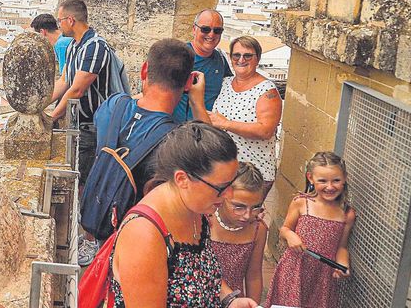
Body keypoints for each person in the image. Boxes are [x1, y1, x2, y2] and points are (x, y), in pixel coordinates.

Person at [109, 122, 258, 308]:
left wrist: (229, 300)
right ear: (182, 179)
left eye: (231, 184)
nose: (228, 195)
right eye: (221, 188)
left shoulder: (196, 205)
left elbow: (201, 272)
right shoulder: (144, 235)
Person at [49, 0, 128, 266]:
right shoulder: (73, 47)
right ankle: (88, 234)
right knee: (82, 180)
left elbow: (77, 89)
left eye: (60, 20)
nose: (59, 25)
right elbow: (64, 81)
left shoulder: (95, 47)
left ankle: (93, 239)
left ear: (71, 20)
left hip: (96, 128)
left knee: (91, 184)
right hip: (80, 126)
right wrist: (42, 105)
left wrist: (52, 116)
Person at [93, 38, 208, 197]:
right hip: (140, 218)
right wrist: (198, 104)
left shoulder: (113, 105)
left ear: (144, 70)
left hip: (98, 208)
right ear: (188, 83)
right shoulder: (177, 142)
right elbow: (211, 160)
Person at [266, 151, 355, 308]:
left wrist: (343, 263)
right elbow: (285, 229)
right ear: (310, 178)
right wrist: (291, 235)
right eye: (322, 181)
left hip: (322, 276)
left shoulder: (346, 213)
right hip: (294, 269)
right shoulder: (301, 203)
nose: (330, 186)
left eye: (336, 180)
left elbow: (341, 246)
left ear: (345, 179)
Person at [205, 36, 283, 197]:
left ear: (257, 59)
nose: (241, 60)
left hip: (253, 174)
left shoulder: (267, 91)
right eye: (236, 55)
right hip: (225, 171)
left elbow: (265, 130)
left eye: (247, 56)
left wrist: (226, 124)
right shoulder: (225, 83)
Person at [208, 162, 268, 304]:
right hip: (201, 296)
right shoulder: (204, 220)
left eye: (256, 207)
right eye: (239, 207)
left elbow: (253, 275)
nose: (247, 215)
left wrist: (253, 304)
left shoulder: (258, 230)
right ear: (222, 196)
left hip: (235, 301)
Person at [173, 9, 232, 123]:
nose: (211, 34)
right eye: (205, 29)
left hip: (207, 132)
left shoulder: (221, 59)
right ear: (194, 29)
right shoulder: (178, 56)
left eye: (217, 30)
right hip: (179, 131)